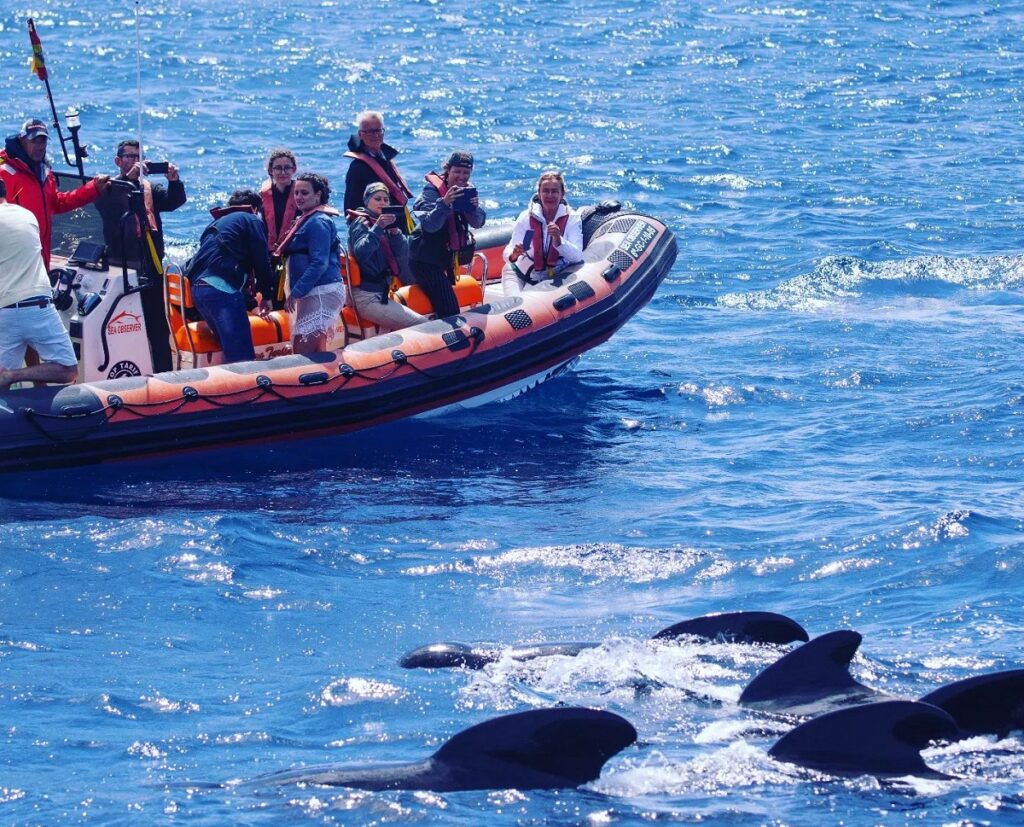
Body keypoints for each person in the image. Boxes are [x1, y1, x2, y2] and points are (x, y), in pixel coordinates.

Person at [94, 139, 187, 373]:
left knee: (158, 326)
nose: (135, 160)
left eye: (139, 156)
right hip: (123, 267)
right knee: (125, 325)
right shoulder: (109, 188)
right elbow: (106, 206)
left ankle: (164, 373)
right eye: (129, 156)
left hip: (151, 267)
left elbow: (175, 201)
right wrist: (128, 180)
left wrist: (174, 182)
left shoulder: (149, 189)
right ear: (118, 161)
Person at [0, 117, 110, 269]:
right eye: (34, 141)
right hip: (13, 259)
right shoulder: (4, 171)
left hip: (39, 257)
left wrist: (93, 189)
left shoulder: (44, 171)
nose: (39, 146)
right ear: (22, 140)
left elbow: (56, 203)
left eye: (43, 141)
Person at [0, 178, 77, 391]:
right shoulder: (28, 216)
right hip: (39, 307)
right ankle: (13, 375)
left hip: (4, 312)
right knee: (68, 370)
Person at [186, 190, 275, 364]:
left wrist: (249, 302)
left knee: (230, 348)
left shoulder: (216, 225)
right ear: (255, 209)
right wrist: (268, 295)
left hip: (199, 291)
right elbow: (262, 261)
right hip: (221, 292)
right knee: (242, 357)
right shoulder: (251, 219)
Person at [410, 151, 486, 318]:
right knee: (450, 310)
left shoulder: (467, 191)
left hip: (445, 258)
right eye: (457, 171)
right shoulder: (430, 192)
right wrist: (444, 203)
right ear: (448, 170)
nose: (461, 176)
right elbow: (430, 225)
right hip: (424, 261)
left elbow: (478, 223)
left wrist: (472, 208)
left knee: (444, 301)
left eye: (466, 172)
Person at [277, 173, 345, 354]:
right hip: (313, 291)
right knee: (314, 350)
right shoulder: (307, 219)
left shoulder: (318, 222)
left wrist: (296, 293)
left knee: (303, 352)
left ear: (318, 195)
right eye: (296, 193)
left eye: (304, 193)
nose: (298, 197)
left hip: (322, 291)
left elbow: (319, 263)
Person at [348, 182, 427, 332]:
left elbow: (404, 255)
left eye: (386, 199)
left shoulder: (385, 224)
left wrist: (395, 233)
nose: (382, 202)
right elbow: (361, 252)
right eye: (377, 199)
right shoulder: (361, 222)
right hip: (366, 297)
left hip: (382, 292)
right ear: (367, 201)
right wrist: (378, 228)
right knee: (422, 323)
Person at [502, 170, 584, 297]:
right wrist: (515, 254)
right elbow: (508, 255)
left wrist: (559, 240)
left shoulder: (572, 218)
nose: (549, 195)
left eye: (554, 191)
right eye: (545, 191)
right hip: (519, 272)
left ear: (562, 194)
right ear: (539, 193)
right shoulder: (525, 217)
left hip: (553, 275)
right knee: (514, 307)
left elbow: (577, 256)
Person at [342, 111, 414, 230]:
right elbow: (350, 208)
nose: (375, 135)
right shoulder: (357, 168)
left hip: (397, 227)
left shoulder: (385, 159)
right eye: (370, 132)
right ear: (360, 134)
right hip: (376, 231)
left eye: (378, 130)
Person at [260, 148, 298, 253]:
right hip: (268, 250)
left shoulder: (302, 194)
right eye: (278, 168)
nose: (283, 172)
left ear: (293, 169)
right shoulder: (262, 196)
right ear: (271, 171)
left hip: (294, 249)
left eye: (287, 168)